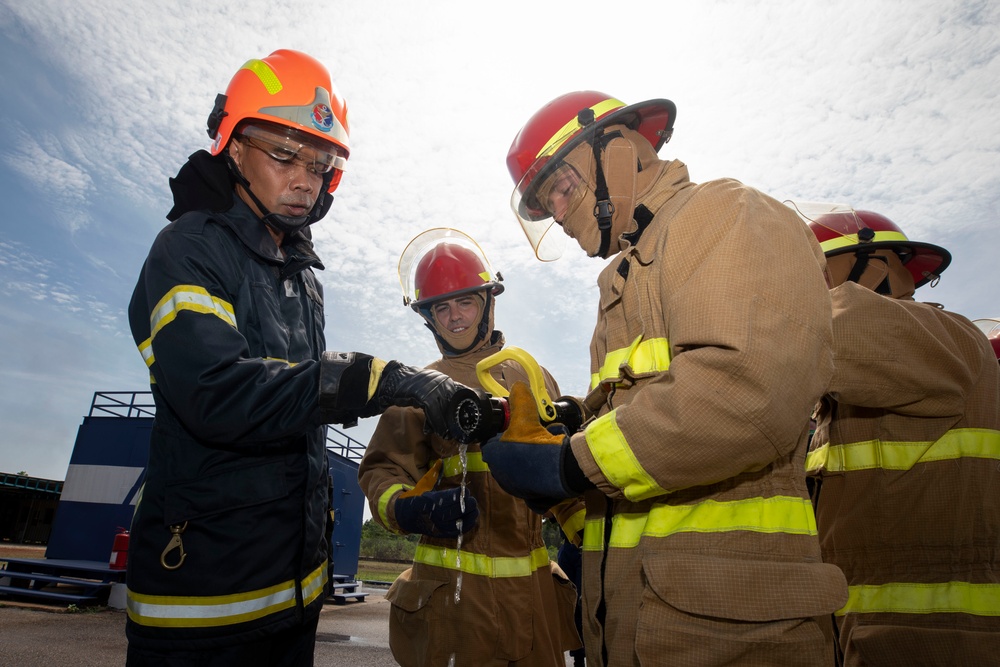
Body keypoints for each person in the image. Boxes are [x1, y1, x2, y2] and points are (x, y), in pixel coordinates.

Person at [482, 91, 849, 666]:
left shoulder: (724, 214)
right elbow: (651, 407)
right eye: (544, 203)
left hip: (731, 634)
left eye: (560, 186)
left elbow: (746, 390)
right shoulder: (630, 274)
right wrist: (574, 420)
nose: (556, 210)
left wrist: (570, 462)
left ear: (618, 151)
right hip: (641, 624)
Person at [126, 50, 467, 667]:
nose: (305, 179)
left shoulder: (303, 279)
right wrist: (373, 378)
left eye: (320, 163)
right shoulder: (187, 251)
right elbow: (216, 393)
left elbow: (299, 416)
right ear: (233, 147)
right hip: (204, 606)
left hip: (295, 599)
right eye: (284, 155)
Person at [358, 228, 583, 666]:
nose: (454, 316)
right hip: (454, 610)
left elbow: (561, 467)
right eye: (441, 307)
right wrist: (410, 509)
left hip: (531, 602)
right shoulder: (416, 390)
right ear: (429, 317)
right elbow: (380, 472)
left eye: (465, 301)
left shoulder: (530, 376)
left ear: (488, 303)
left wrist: (585, 532)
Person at [796, 203, 1000, 665]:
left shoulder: (940, 336)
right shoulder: (860, 375)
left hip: (935, 638)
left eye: (814, 275)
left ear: (876, 266)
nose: (804, 289)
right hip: (872, 632)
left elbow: (796, 335)